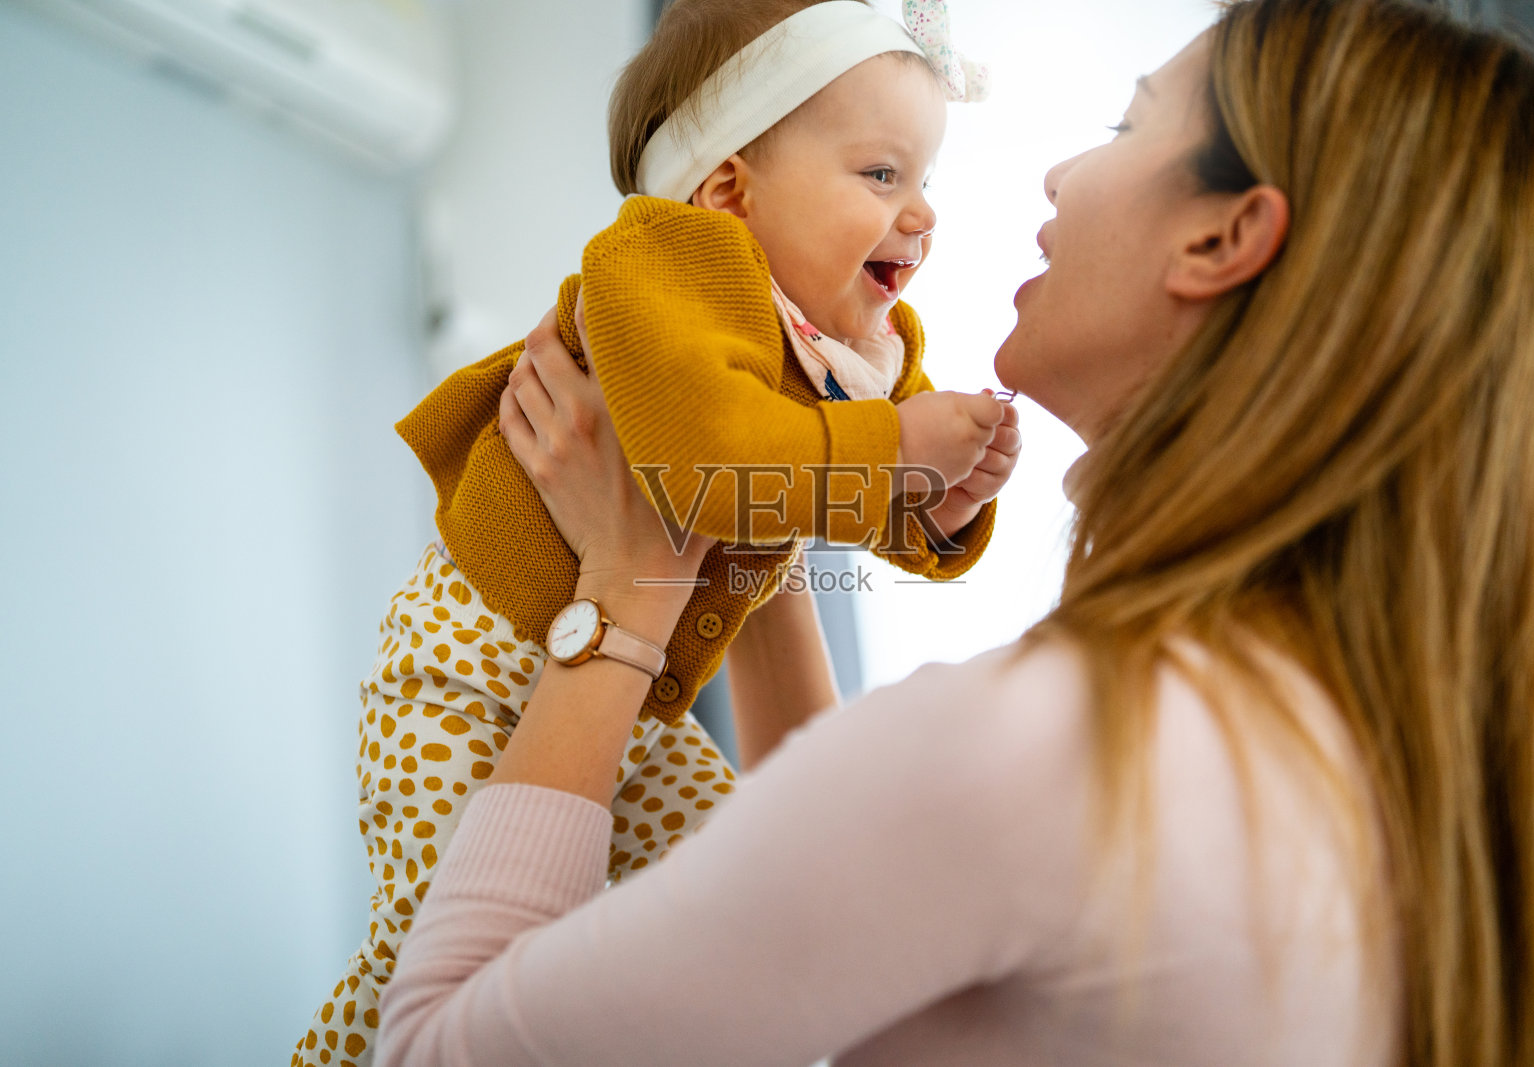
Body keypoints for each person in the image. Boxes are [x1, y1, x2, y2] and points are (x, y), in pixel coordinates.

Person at [374, 0, 1534, 1064]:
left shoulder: (1052, 749)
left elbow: (431, 1049)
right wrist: (759, 516)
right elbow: (831, 881)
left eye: (1125, 127)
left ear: (1225, 237)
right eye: (879, 174)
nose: (1061, 174)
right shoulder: (1375, 743)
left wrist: (630, 586)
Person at [292, 1, 1022, 1063]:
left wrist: (942, 507)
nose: (920, 216)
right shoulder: (666, 258)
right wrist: (900, 444)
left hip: (632, 698)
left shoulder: (858, 334)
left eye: (924, 182)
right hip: (468, 659)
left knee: (725, 902)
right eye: (880, 175)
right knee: (440, 959)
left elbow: (831, 496)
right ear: (728, 187)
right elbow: (716, 471)